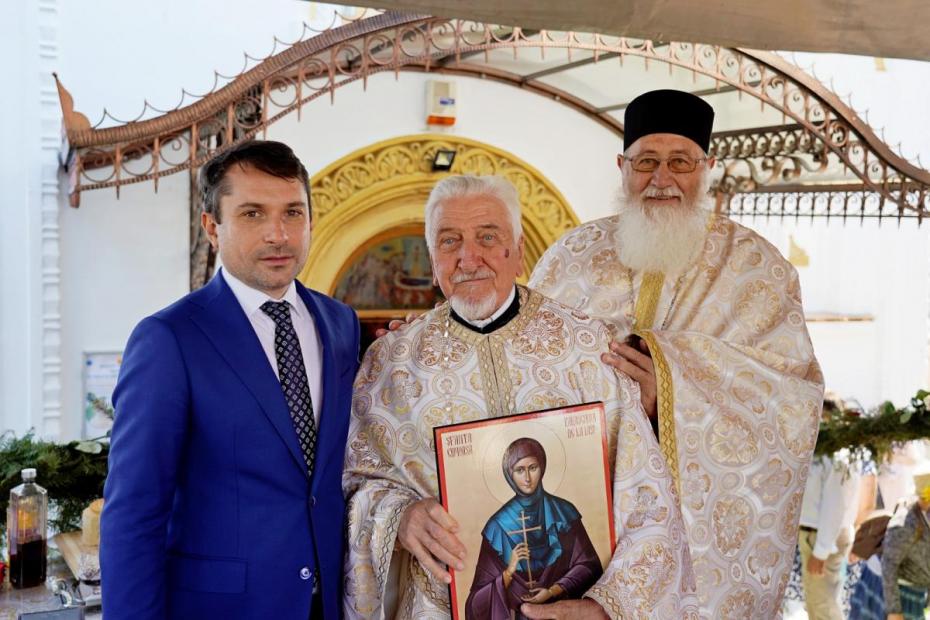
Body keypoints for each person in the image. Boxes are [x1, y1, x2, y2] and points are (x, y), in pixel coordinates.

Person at [343, 175, 697, 619]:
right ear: (433, 261)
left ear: (519, 250)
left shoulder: (588, 347)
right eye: (449, 241)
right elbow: (356, 483)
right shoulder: (391, 364)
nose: (468, 258)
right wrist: (401, 517)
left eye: (487, 237)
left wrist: (605, 606)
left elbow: (647, 494)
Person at [527, 88, 825, 617]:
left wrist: (670, 391)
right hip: (583, 512)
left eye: (680, 162)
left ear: (706, 168)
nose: (661, 178)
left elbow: (792, 403)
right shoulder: (569, 258)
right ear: (622, 167)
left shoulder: (758, 269)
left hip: (693, 542)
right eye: (646, 161)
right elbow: (523, 364)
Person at [101, 140, 360, 619]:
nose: (278, 235)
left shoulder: (341, 324)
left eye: (293, 213)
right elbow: (133, 515)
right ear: (212, 227)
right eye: (252, 214)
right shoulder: (169, 339)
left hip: (328, 604)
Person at [465, 438, 601, 619]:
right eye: (520, 470)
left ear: (542, 468)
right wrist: (509, 572)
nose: (527, 478)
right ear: (509, 474)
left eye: (533, 468)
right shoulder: (497, 527)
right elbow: (475, 604)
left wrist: (553, 590)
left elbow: (589, 566)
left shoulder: (563, 513)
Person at [797, 400, 862, 619]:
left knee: (823, 607)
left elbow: (835, 505)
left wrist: (821, 550)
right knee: (816, 605)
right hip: (816, 535)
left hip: (822, 537)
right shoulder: (823, 452)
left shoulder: (837, 455)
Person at [880, 472, 930, 620]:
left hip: (919, 595)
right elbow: (888, 565)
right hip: (902, 597)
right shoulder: (905, 523)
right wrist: (894, 610)